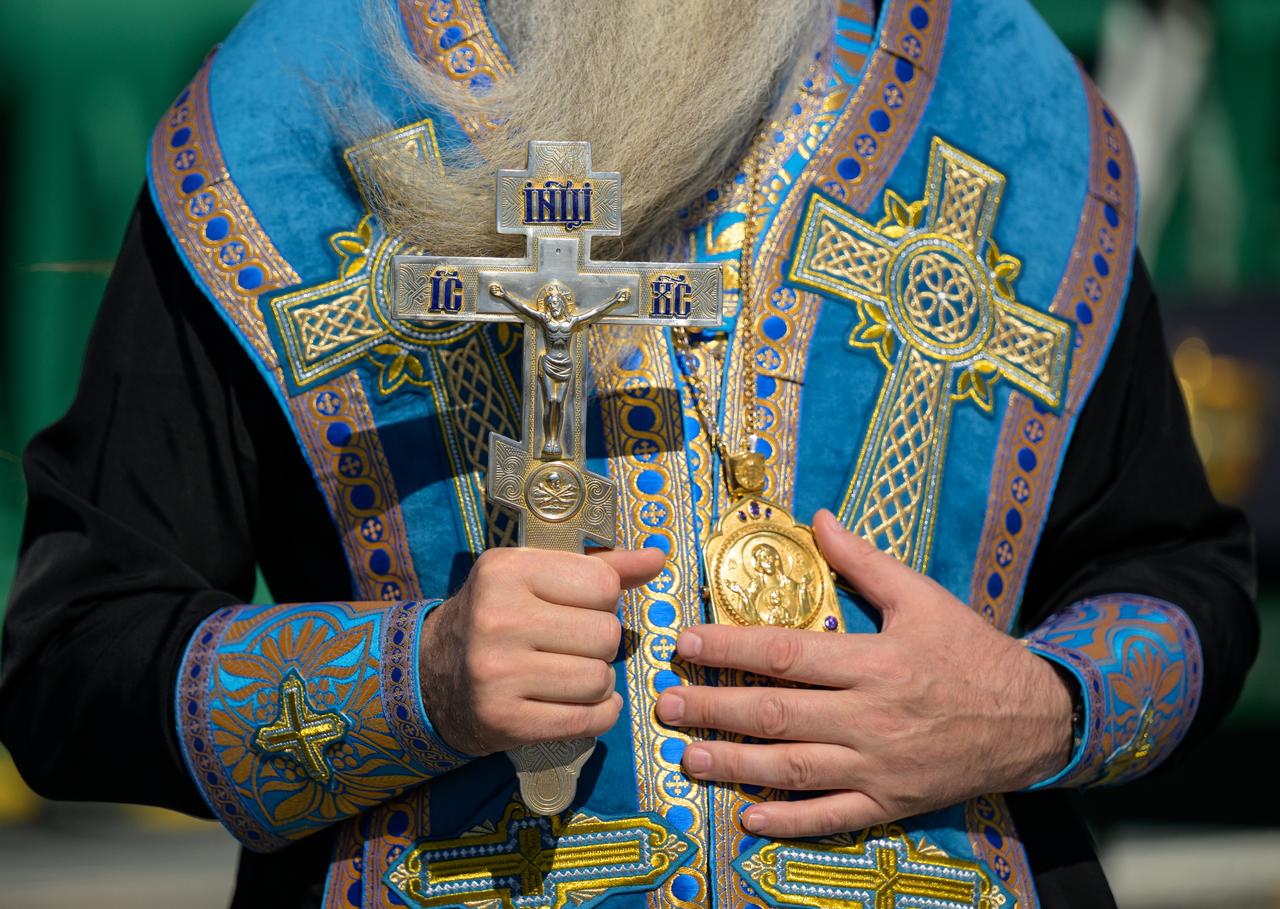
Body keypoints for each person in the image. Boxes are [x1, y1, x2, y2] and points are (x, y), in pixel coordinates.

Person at [0, 1, 1257, 907]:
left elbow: (1178, 572)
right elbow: (70, 663)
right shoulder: (287, 112)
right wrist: (411, 677)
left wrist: (1038, 712)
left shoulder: (1000, 99)